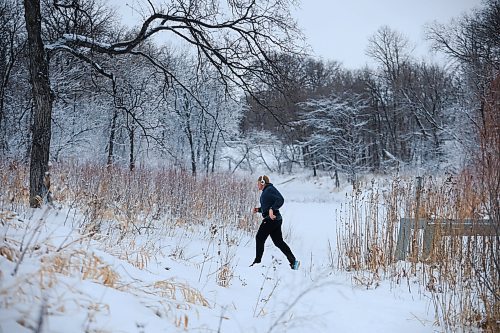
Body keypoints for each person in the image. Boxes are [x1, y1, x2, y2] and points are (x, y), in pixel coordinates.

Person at [250, 175, 300, 270]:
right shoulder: (267, 191)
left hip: (271, 220)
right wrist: (259, 209)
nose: (257, 185)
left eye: (258, 183)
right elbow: (268, 207)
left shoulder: (269, 189)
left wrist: (272, 209)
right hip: (276, 220)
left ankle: (257, 262)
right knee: (278, 242)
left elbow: (280, 200)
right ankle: (293, 262)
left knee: (259, 238)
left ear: (262, 182)